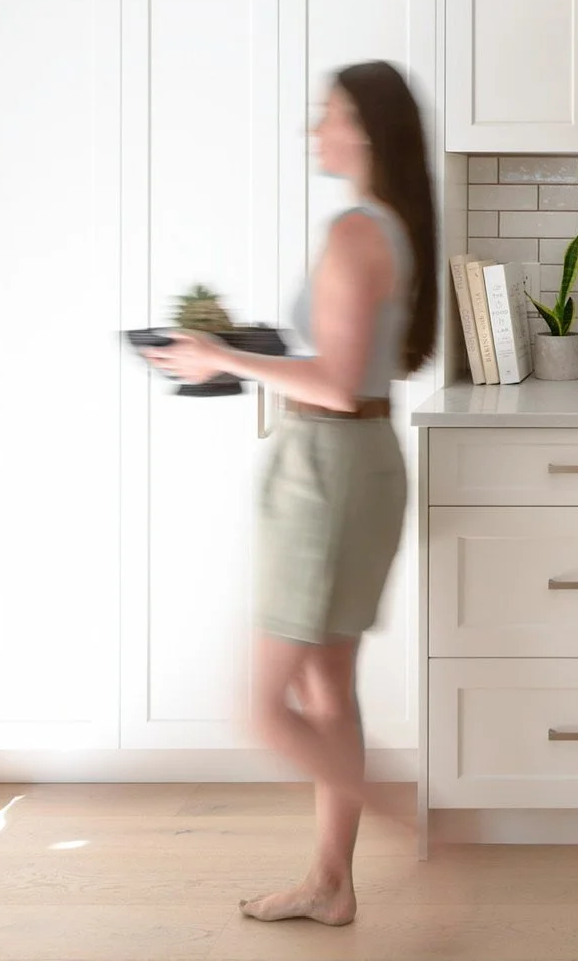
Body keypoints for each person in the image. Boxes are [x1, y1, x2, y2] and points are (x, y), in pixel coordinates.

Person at [142, 60, 437, 929]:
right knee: (327, 690)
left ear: (369, 132)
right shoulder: (392, 227)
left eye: (331, 115)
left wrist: (220, 357)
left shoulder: (354, 229)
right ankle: (330, 882)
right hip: (357, 458)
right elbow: (356, 368)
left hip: (327, 467)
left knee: (264, 707)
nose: (316, 130)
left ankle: (422, 826)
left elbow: (338, 383)